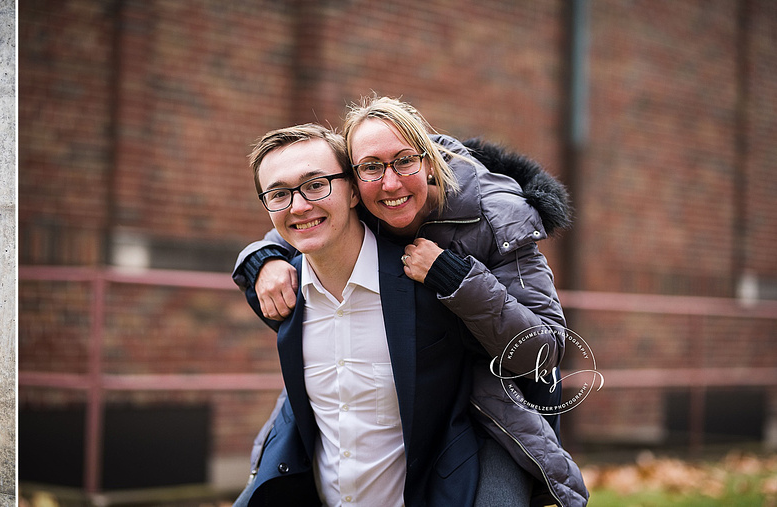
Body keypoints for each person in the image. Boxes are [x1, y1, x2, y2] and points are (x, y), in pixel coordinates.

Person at [235, 96, 587, 506]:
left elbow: (545, 352)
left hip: (492, 389)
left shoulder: (498, 216)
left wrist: (454, 278)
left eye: (405, 161)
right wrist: (262, 258)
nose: (390, 183)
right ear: (354, 181)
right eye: (370, 168)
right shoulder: (359, 200)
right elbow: (305, 211)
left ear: (430, 162)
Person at [238, 123, 481, 506]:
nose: (299, 206)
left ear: (353, 190)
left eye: (316, 185)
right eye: (279, 194)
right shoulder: (281, 294)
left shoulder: (429, 286)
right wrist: (259, 261)